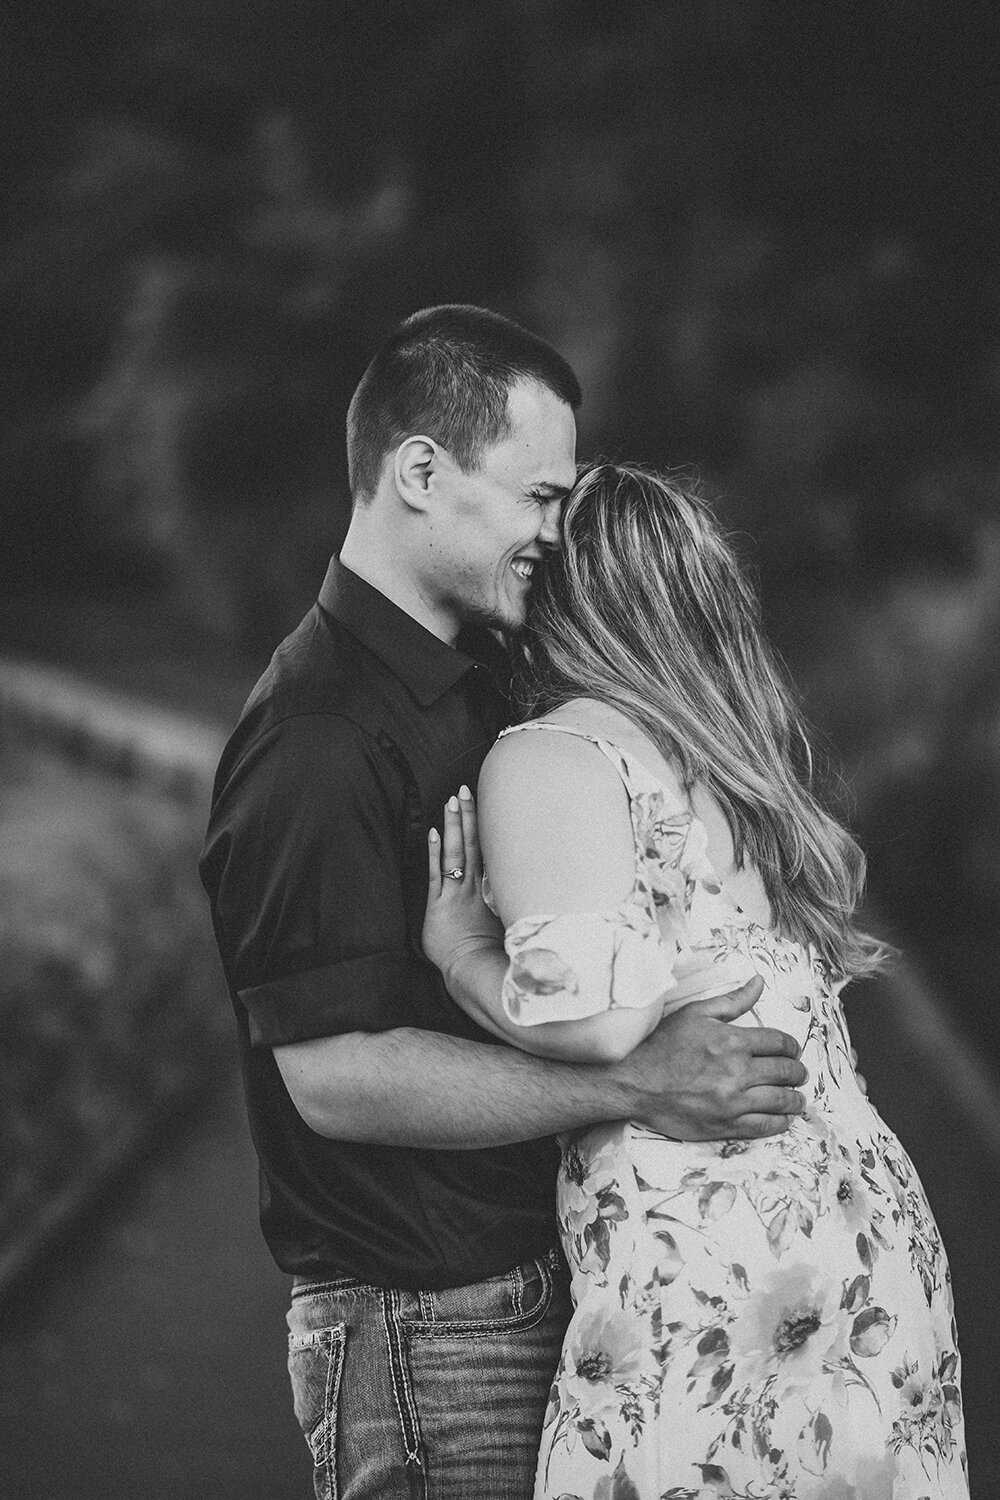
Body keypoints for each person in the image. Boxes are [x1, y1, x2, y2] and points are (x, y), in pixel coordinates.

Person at [199, 307, 808, 1500]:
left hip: (532, 1300)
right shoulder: (319, 740)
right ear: (420, 471)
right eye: (537, 496)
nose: (554, 530)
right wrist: (634, 1084)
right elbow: (334, 1076)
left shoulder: (480, 687)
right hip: (427, 1335)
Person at [423, 462, 969, 1499]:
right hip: (862, 1244)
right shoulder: (731, 765)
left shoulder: (555, 753)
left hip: (714, 1265)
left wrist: (461, 957)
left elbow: (596, 1024)